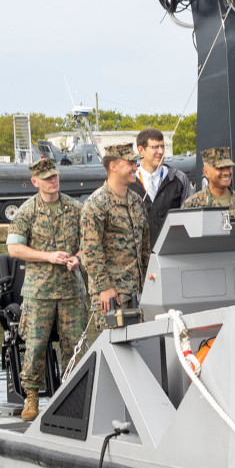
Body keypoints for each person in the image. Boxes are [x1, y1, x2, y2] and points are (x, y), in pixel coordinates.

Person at [4, 157, 86, 422]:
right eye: (47, 178)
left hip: (71, 290)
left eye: (55, 176)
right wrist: (47, 256)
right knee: (35, 345)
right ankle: (32, 397)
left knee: (75, 346)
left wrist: (79, 258)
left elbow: (91, 241)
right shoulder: (27, 211)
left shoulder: (75, 208)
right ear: (35, 181)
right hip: (39, 291)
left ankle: (73, 395)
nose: (53, 181)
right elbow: (14, 248)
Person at [76, 143, 151, 355]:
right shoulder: (97, 204)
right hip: (112, 295)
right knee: (114, 352)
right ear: (113, 166)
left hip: (137, 291)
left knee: (139, 350)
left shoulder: (136, 201)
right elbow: (91, 251)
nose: (135, 167)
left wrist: (147, 282)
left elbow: (144, 246)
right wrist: (103, 287)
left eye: (135, 163)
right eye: (130, 163)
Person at [126, 126, 193, 247]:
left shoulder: (179, 179)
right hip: (138, 259)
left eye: (162, 146)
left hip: (172, 253)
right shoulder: (128, 183)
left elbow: (190, 218)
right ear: (141, 150)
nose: (161, 151)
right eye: (155, 147)